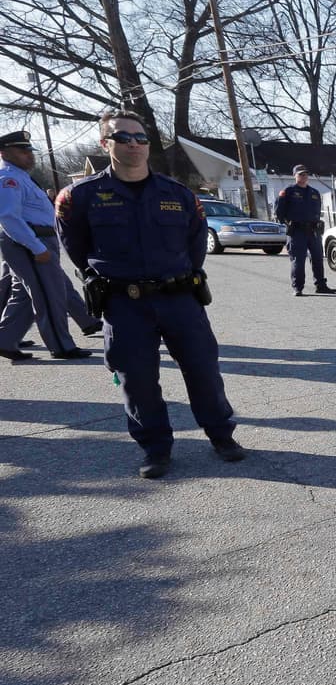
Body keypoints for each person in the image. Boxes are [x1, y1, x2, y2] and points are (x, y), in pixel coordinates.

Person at [56, 109, 245, 479]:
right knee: (137, 380)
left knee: (204, 371)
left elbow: (195, 246)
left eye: (140, 138)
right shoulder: (79, 196)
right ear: (105, 143)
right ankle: (156, 448)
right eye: (123, 137)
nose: (134, 145)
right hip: (124, 304)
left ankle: (222, 436)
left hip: (180, 299)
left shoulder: (177, 194)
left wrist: (176, 277)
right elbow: (75, 247)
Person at [0, 129, 93, 362]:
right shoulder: (7, 178)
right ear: (4, 153)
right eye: (22, 151)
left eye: (29, 150)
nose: (28, 155)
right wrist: (36, 247)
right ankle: (61, 345)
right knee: (50, 295)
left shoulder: (20, 176)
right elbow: (9, 217)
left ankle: (5, 340)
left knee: (25, 295)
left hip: (38, 239)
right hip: (29, 241)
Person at [274, 164, 335, 297]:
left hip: (313, 231)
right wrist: (288, 224)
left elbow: (317, 212)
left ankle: (321, 285)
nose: (304, 176)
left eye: (306, 174)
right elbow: (279, 212)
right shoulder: (288, 191)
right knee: (298, 260)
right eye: (301, 174)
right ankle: (298, 287)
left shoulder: (314, 192)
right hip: (297, 231)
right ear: (295, 176)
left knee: (318, 259)